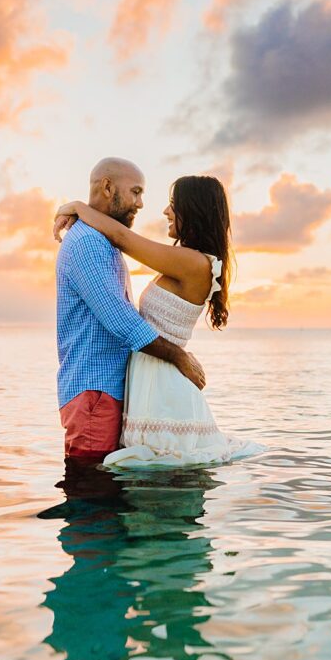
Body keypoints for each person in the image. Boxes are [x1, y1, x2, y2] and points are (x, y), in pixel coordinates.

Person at [54, 171, 263, 467]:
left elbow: (122, 237)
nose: (164, 211)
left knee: (159, 479)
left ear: (193, 211)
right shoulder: (188, 261)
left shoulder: (193, 263)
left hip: (162, 383)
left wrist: (77, 207)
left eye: (173, 205)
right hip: (151, 377)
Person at [55, 158, 206, 464]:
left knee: (105, 491)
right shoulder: (88, 243)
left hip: (106, 391)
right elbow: (119, 319)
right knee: (92, 495)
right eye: (136, 192)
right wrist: (179, 357)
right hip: (96, 392)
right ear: (108, 187)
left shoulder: (102, 241)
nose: (140, 203)